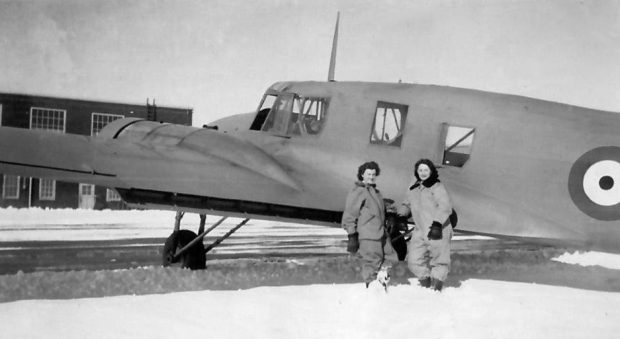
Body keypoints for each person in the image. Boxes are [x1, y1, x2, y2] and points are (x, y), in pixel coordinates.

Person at [397, 159, 453, 291]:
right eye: (420, 170)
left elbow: (445, 206)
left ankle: (436, 290)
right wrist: (401, 216)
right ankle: (426, 285)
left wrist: (437, 224)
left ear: (431, 171)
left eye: (426, 170)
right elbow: (407, 203)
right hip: (420, 229)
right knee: (414, 261)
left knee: (440, 261)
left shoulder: (437, 187)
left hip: (438, 229)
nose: (423, 173)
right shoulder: (414, 187)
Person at [342, 161, 398, 289]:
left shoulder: (375, 192)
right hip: (368, 235)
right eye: (368, 174)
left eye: (373, 174)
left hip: (381, 233)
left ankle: (381, 281)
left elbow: (377, 210)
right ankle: (371, 290)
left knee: (390, 257)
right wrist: (352, 234)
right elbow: (350, 214)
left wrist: (389, 213)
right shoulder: (358, 191)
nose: (371, 177)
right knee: (371, 262)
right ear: (362, 175)